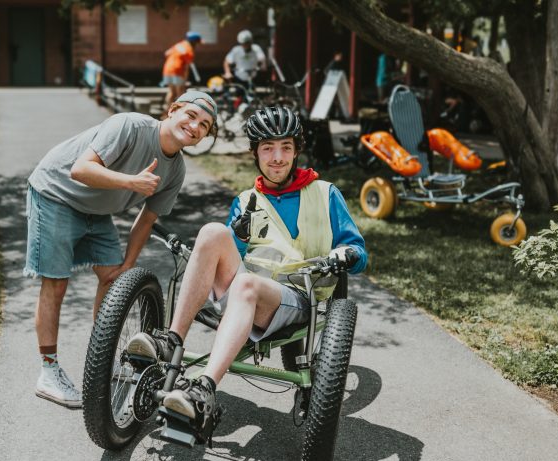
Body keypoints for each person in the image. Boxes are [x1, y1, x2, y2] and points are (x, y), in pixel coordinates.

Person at [126, 105, 367, 436]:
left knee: (247, 286)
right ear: (255, 153)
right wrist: (237, 237)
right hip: (240, 292)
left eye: (285, 147)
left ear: (297, 150)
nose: (277, 157)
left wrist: (346, 254)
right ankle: (171, 339)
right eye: (268, 148)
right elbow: (231, 260)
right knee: (212, 232)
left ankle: (204, 390)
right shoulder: (246, 200)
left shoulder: (325, 194)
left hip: (292, 297)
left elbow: (358, 251)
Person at [26, 90, 217, 408]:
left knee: (113, 279)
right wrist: (130, 182)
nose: (195, 126)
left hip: (96, 210)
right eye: (191, 116)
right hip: (55, 192)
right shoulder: (129, 126)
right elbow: (80, 170)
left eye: (205, 125)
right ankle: (48, 372)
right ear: (172, 110)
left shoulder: (176, 170)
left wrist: (129, 262)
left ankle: (101, 360)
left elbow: (147, 218)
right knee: (56, 283)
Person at [163, 32, 202, 110]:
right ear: (194, 42)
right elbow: (187, 67)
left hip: (167, 69)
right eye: (197, 43)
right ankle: (180, 112)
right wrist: (185, 80)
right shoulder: (189, 50)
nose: (198, 45)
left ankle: (167, 112)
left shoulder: (179, 45)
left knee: (171, 92)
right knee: (180, 93)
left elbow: (166, 53)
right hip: (178, 70)